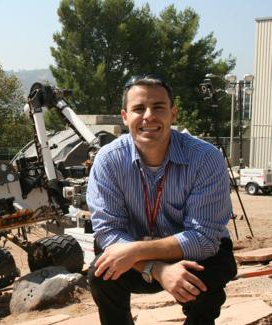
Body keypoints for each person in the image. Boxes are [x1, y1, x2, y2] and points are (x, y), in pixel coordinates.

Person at [86, 73, 237, 325]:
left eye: (158, 107)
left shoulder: (205, 158)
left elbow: (205, 238)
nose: (148, 116)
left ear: (173, 113)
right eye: (138, 108)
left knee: (208, 277)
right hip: (137, 261)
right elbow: (108, 232)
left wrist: (135, 251)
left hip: (192, 255)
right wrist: (157, 269)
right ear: (125, 117)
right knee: (102, 273)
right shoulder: (108, 160)